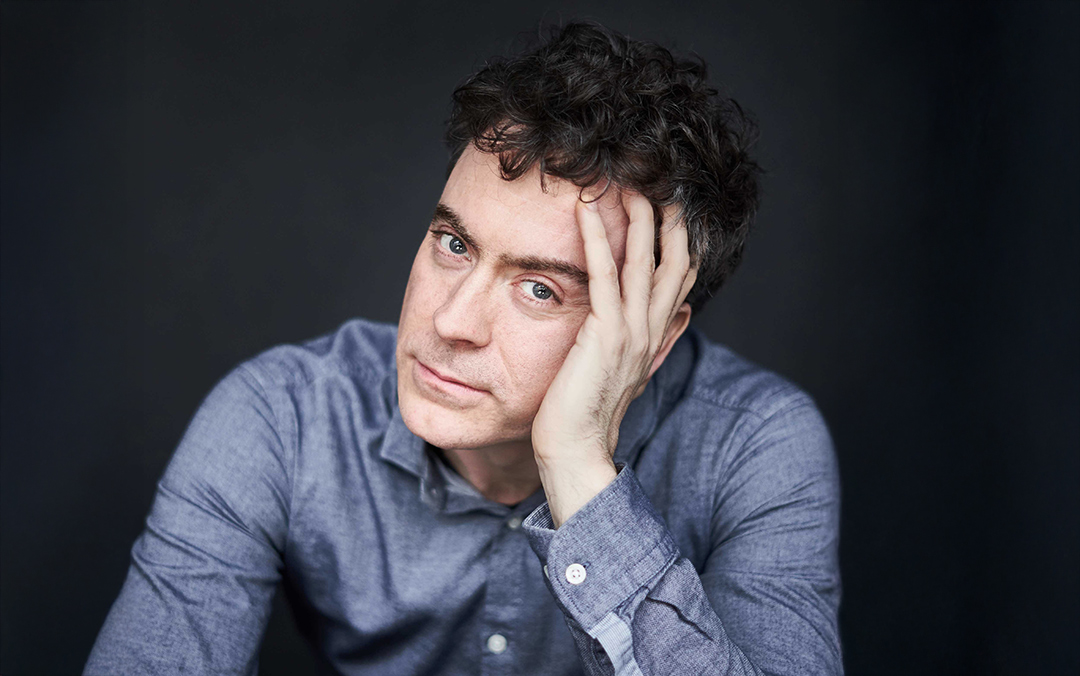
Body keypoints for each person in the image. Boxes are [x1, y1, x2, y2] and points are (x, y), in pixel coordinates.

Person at [85, 21, 842, 676]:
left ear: (652, 340)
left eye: (540, 288)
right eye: (453, 243)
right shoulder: (281, 418)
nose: (452, 322)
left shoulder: (756, 444)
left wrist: (580, 469)